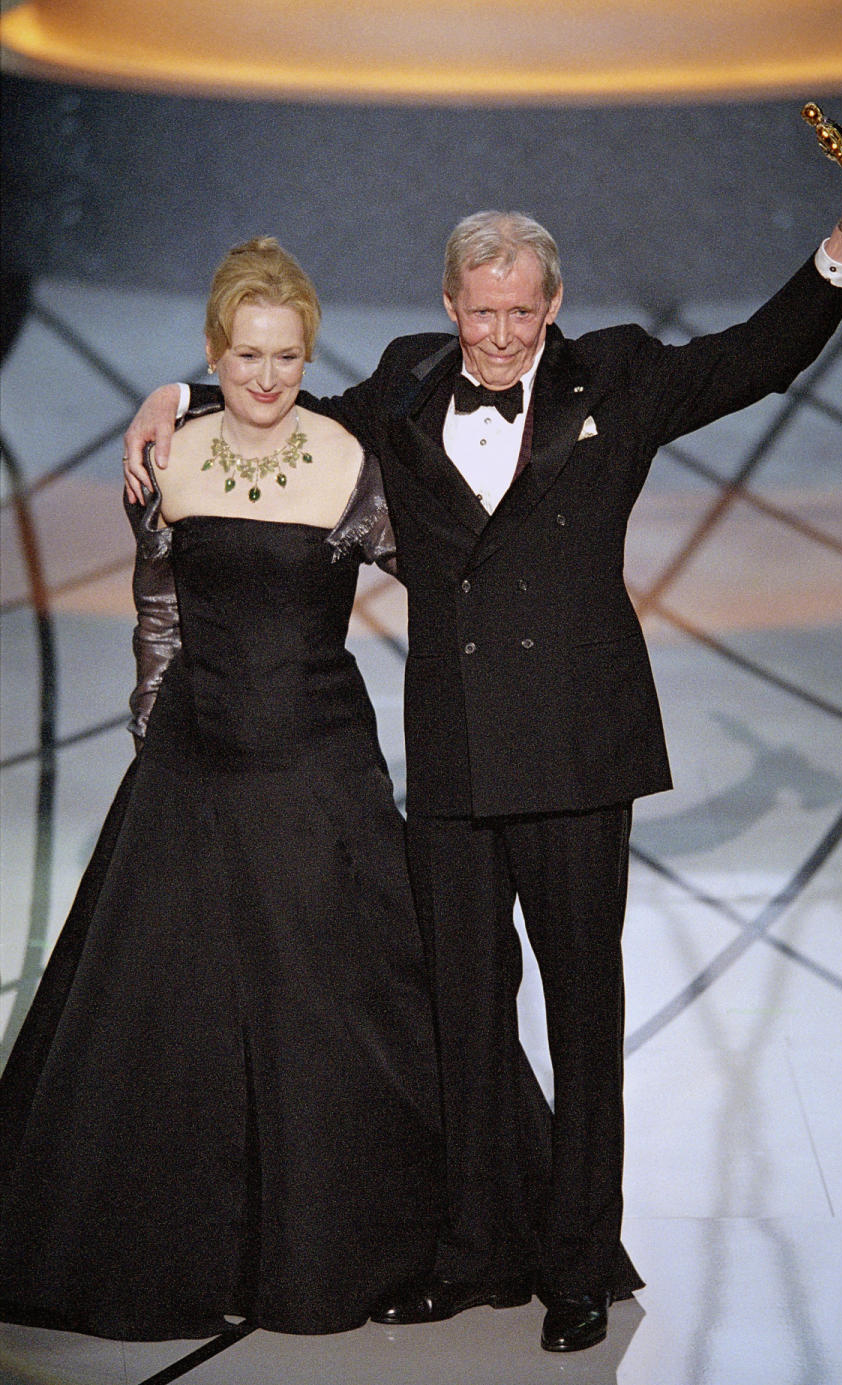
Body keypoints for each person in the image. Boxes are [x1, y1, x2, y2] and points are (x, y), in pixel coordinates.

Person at [122, 162, 842, 1353]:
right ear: (448, 306)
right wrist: (174, 391)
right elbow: (288, 401)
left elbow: (758, 356)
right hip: (454, 757)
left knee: (586, 1014)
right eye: (479, 311)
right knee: (465, 1015)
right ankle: (476, 1247)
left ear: (553, 305)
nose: (498, 334)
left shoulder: (623, 376)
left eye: (520, 311)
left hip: (580, 753)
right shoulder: (401, 385)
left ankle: (578, 1260)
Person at [0, 237, 445, 1341]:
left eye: (286, 355)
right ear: (214, 353)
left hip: (319, 767)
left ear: (307, 354)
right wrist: (157, 741)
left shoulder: (351, 459)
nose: (265, 377)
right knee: (171, 1021)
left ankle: (362, 1240)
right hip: (194, 765)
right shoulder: (168, 458)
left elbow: (443, 586)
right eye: (245, 355)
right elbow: (160, 611)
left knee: (341, 1012)